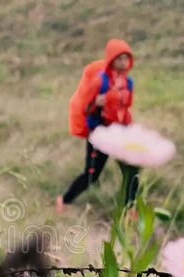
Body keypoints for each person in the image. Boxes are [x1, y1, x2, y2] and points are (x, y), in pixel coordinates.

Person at [57, 39, 138, 214]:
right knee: (91, 175)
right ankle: (64, 201)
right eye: (119, 59)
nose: (123, 63)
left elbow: (125, 107)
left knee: (132, 171)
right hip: (100, 135)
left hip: (120, 133)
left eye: (126, 59)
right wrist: (96, 103)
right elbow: (85, 109)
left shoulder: (129, 83)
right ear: (111, 60)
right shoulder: (99, 82)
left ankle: (129, 211)